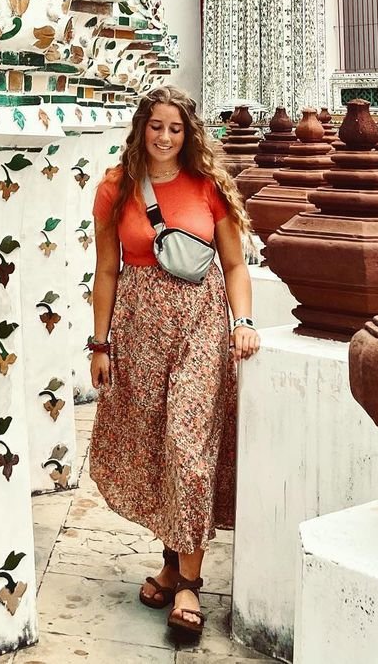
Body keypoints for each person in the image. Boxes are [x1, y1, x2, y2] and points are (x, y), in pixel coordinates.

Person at [87, 85, 259, 641]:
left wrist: (244, 324)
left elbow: (234, 266)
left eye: (176, 128)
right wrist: (100, 344)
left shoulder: (209, 186)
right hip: (139, 332)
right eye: (156, 126)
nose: (164, 137)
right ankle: (171, 563)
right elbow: (108, 271)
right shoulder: (114, 189)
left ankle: (190, 584)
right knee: (157, 446)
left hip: (200, 328)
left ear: (190, 134)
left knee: (188, 448)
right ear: (141, 129)